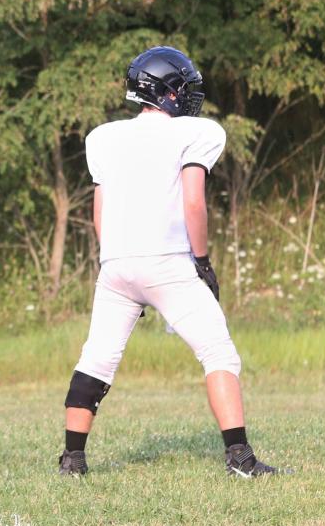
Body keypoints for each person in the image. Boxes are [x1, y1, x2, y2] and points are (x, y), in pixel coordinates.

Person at [57, 46, 277, 478]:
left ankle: (73, 460)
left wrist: (119, 267)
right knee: (218, 354)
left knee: (97, 359)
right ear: (169, 91)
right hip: (168, 262)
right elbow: (193, 202)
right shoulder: (197, 132)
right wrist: (202, 260)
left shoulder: (102, 136)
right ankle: (240, 458)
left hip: (116, 263)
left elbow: (99, 214)